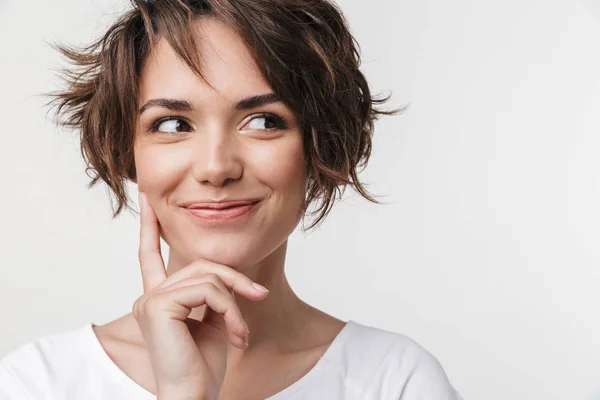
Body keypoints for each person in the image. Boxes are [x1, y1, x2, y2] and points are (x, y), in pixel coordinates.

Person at [0, 0, 462, 399]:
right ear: (129, 151)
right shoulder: (38, 384)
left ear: (318, 147)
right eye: (173, 125)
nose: (216, 167)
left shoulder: (395, 383)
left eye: (263, 121)